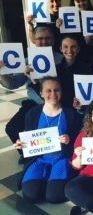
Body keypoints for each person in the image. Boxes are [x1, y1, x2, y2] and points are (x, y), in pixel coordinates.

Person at [13, 77, 80, 203]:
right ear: (41, 93)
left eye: (57, 90)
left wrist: (69, 140)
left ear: (62, 92)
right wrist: (22, 145)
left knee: (54, 197)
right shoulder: (32, 114)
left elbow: (78, 142)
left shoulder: (71, 114)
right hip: (39, 159)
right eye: (48, 91)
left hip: (62, 158)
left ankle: (51, 181)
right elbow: (29, 138)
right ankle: (46, 179)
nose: (53, 94)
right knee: (31, 195)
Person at [1, 26, 63, 162]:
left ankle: (50, 155)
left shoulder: (61, 58)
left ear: (53, 40)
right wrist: (2, 72)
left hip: (56, 103)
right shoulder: (27, 60)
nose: (44, 42)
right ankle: (27, 153)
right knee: (12, 127)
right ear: (34, 41)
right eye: (40, 39)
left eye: (48, 38)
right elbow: (12, 84)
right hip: (35, 103)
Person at [56, 34, 91, 108]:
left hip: (78, 109)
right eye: (65, 47)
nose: (69, 50)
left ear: (78, 49)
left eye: (73, 47)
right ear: (61, 49)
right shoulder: (56, 69)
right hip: (60, 108)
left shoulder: (86, 69)